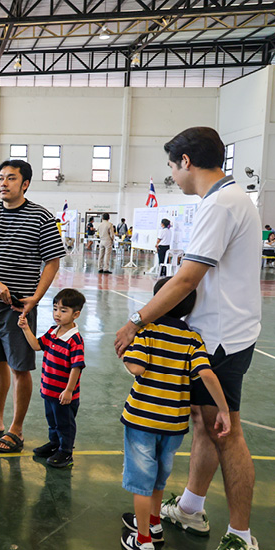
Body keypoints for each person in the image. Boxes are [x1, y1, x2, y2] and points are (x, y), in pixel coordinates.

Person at [114, 127, 261, 550]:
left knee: (226, 431)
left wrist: (135, 321)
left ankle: (241, 535)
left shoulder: (220, 205)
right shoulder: (231, 200)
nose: (172, 175)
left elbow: (185, 280)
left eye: (171, 166)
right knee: (205, 424)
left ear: (186, 162)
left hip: (220, 338)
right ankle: (191, 509)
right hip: (227, 330)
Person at [119, 278, 231, 550]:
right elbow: (205, 373)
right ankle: (154, 524)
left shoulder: (147, 331)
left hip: (142, 420)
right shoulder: (192, 338)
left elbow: (136, 368)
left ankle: (143, 539)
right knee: (158, 477)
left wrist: (125, 356)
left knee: (141, 483)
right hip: (174, 423)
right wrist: (224, 409)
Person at [0, 159, 66, 453]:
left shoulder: (41, 218)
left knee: (20, 367)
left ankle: (16, 429)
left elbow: (52, 260)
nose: (3, 183)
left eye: (10, 178)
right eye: (0, 178)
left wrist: (36, 297)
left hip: (18, 308)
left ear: (25, 184)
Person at [17, 288, 86, 468]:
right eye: (55, 309)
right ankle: (54, 444)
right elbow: (37, 345)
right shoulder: (53, 332)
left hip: (64, 394)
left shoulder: (75, 340)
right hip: (49, 389)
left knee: (65, 424)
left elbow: (76, 367)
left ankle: (66, 452)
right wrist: (26, 328)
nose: (57, 314)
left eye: (63, 310)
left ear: (76, 314)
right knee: (52, 421)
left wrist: (69, 390)